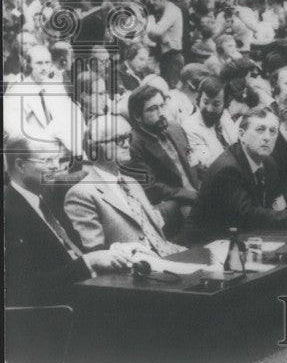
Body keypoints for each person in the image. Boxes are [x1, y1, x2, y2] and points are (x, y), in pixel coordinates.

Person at [5, 135, 131, 306]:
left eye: (57, 159)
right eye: (47, 160)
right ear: (20, 165)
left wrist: (118, 249)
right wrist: (89, 262)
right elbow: (28, 288)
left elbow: (75, 249)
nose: (56, 167)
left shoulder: (47, 197)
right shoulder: (9, 213)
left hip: (88, 290)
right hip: (59, 312)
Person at [191, 107, 287, 239]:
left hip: (244, 237)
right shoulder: (228, 170)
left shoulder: (268, 163)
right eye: (260, 130)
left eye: (273, 131)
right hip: (203, 246)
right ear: (241, 135)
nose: (267, 137)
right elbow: (248, 216)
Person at [64, 114, 184, 256]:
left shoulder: (132, 183)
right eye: (119, 139)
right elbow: (98, 254)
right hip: (137, 270)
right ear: (94, 148)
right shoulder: (81, 195)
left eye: (128, 137)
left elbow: (157, 234)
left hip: (169, 255)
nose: (127, 144)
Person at [3, 45, 86, 161]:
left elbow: (74, 117)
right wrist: (50, 135)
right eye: (39, 63)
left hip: (65, 150)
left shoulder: (56, 86)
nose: (44, 68)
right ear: (28, 64)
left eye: (47, 63)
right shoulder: (17, 92)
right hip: (35, 155)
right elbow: (16, 132)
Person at [126, 84, 199, 215]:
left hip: (197, 191)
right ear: (137, 116)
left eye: (162, 105)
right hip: (174, 203)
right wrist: (192, 195)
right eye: (153, 109)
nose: (161, 113)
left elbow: (192, 162)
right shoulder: (133, 144)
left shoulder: (175, 128)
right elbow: (151, 188)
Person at [182, 76, 239, 174]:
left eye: (216, 104)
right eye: (205, 102)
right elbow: (209, 164)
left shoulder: (224, 115)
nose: (209, 109)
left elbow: (237, 143)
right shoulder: (190, 126)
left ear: (224, 104)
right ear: (199, 100)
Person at [145, 0, 184, 88]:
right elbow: (152, 36)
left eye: (155, 0)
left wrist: (146, 22)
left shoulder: (172, 10)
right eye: (151, 0)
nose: (152, 3)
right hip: (165, 56)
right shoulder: (161, 11)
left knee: (170, 92)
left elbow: (157, 31)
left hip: (173, 57)